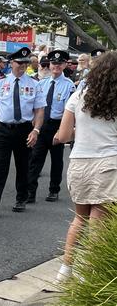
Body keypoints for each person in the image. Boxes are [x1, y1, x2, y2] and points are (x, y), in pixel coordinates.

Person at [53, 50, 117, 282]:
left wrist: (83, 132)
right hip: (108, 163)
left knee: (80, 218)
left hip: (79, 162)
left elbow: (62, 136)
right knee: (100, 220)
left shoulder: (77, 96)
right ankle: (89, 275)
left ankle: (65, 270)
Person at [0, 47, 46, 216]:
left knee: (22, 166)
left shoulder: (34, 84)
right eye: (19, 63)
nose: (23, 66)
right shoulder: (1, 82)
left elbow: (39, 110)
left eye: (26, 63)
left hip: (24, 129)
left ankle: (21, 199)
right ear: (11, 63)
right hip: (4, 129)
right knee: (0, 168)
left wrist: (36, 130)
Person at [26, 50, 75, 203]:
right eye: (54, 63)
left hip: (57, 125)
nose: (56, 66)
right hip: (42, 125)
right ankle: (30, 192)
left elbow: (69, 111)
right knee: (35, 159)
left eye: (60, 64)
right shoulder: (42, 83)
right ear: (50, 64)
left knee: (56, 160)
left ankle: (54, 190)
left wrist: (62, 130)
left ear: (65, 65)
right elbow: (37, 106)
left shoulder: (69, 86)